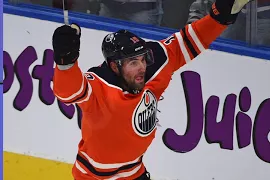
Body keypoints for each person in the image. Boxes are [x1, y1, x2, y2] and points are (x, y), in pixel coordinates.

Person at [51, 0, 252, 179]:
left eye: (142, 59)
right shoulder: (99, 85)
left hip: (134, 172)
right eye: (132, 63)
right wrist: (65, 63)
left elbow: (188, 41)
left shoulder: (154, 65)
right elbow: (68, 93)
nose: (141, 68)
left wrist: (219, 18)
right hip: (93, 177)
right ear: (114, 66)